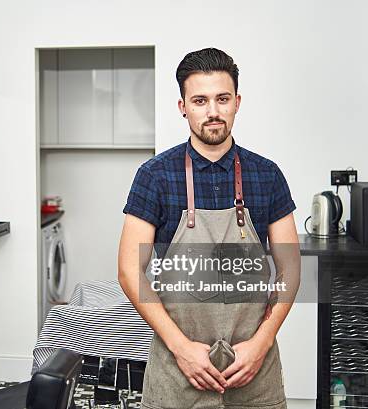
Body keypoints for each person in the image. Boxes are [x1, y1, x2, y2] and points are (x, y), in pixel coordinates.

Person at [118, 48, 300, 409]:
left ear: (237, 102)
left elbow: (290, 269)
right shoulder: (154, 176)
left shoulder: (267, 175)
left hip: (252, 370)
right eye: (200, 100)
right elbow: (128, 271)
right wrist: (182, 349)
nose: (213, 111)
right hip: (179, 372)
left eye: (222, 99)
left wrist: (261, 343)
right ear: (183, 106)